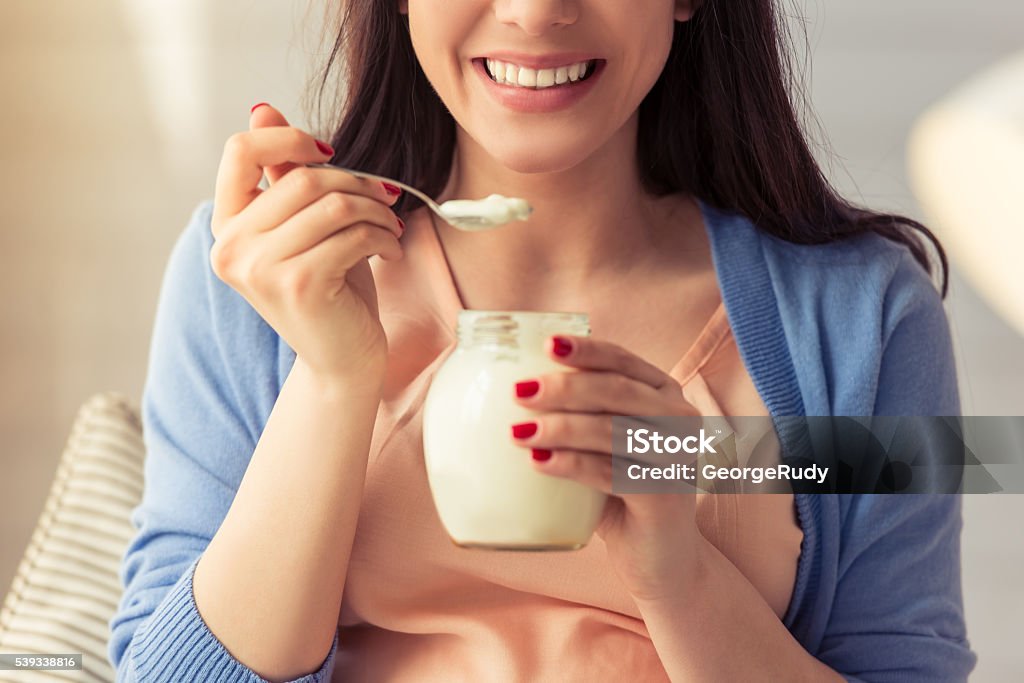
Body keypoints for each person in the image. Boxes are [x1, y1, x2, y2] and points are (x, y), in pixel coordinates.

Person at [108, 1, 977, 681]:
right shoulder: (261, 271)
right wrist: (335, 378)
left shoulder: (867, 318)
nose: (534, 11)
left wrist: (678, 576)